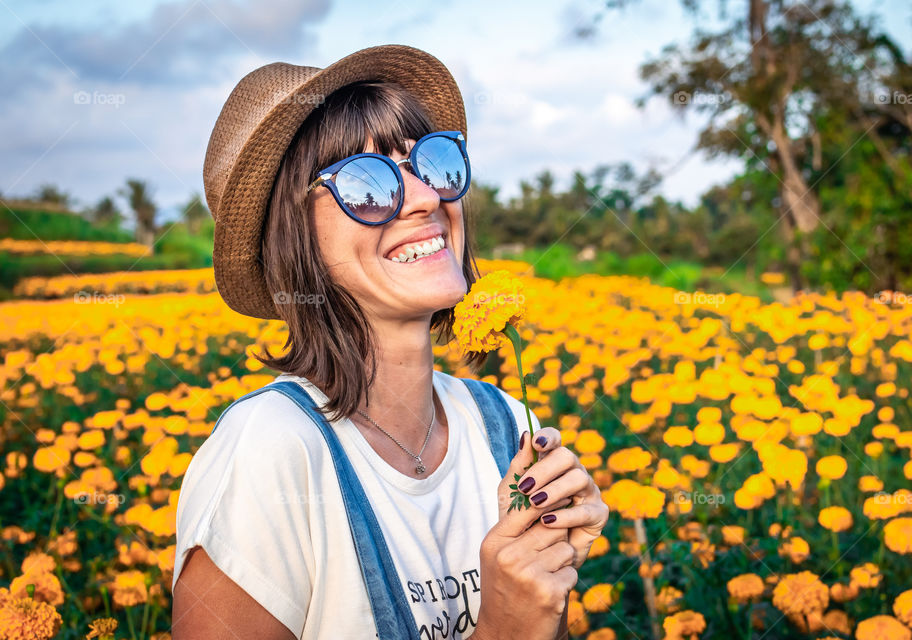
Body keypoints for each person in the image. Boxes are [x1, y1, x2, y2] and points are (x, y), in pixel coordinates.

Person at [171, 44, 609, 640]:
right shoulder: (273, 450)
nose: (427, 198)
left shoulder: (504, 424)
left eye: (431, 164)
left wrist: (542, 589)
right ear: (292, 240)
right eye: (367, 183)